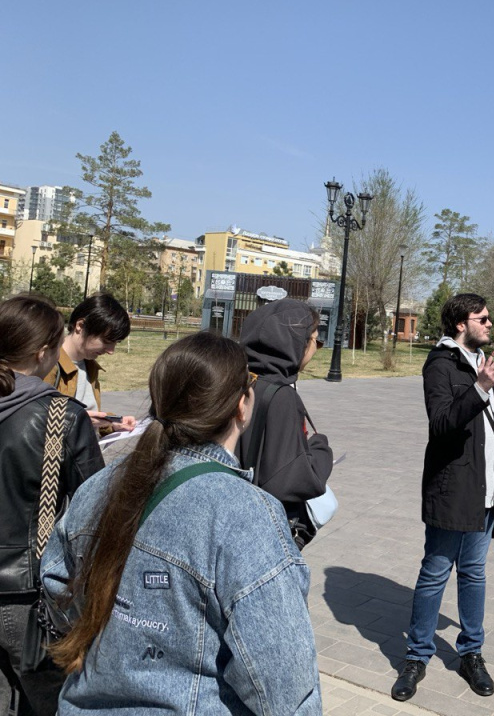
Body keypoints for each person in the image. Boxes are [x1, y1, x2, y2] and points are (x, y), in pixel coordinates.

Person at [40, 332, 321, 714]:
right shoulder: (246, 514)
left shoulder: (102, 484)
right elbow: (282, 680)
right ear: (242, 405)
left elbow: (59, 586)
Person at [392, 294, 494, 703]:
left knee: (474, 572)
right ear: (461, 323)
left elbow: (486, 428)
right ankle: (416, 655)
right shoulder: (441, 365)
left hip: (487, 490)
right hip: (452, 489)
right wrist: (480, 387)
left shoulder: (482, 364)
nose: (490, 324)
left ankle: (470, 653)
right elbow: (442, 424)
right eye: (483, 318)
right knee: (435, 572)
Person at [0, 295, 104, 716]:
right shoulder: (61, 415)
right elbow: (96, 508)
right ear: (43, 353)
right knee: (52, 703)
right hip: (28, 600)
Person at [236, 299, 334, 549]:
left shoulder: (240, 378)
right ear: (297, 344)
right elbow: (288, 480)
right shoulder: (282, 396)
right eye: (315, 340)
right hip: (263, 527)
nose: (315, 348)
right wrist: (321, 451)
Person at [47, 294, 135, 434]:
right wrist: (79, 419)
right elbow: (33, 418)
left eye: (116, 343)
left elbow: (90, 414)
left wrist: (112, 424)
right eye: (106, 341)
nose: (111, 351)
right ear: (80, 326)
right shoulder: (47, 364)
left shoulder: (90, 366)